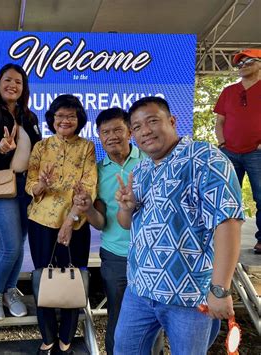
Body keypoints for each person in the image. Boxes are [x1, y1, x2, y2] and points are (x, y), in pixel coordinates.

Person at [113, 97, 244, 354]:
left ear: (172, 121)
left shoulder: (205, 158)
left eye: (152, 121)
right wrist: (125, 207)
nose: (145, 131)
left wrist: (220, 288)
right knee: (124, 349)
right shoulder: (140, 171)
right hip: (139, 291)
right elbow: (126, 224)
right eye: (137, 127)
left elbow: (227, 222)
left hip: (190, 297)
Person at [25, 94, 97, 354]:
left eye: (70, 116)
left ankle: (66, 336)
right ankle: (47, 336)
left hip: (75, 224)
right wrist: (40, 185)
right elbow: (30, 183)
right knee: (43, 278)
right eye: (60, 116)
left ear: (78, 120)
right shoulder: (41, 147)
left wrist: (71, 219)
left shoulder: (87, 147)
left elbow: (89, 187)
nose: (65, 120)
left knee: (73, 278)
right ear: (52, 120)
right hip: (41, 222)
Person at [73, 107, 145, 355]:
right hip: (115, 255)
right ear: (99, 136)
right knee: (119, 315)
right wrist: (87, 209)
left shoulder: (149, 159)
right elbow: (100, 221)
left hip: (151, 255)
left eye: (117, 130)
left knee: (151, 318)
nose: (112, 136)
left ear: (130, 132)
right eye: (105, 132)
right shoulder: (98, 171)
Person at [0, 63, 41, 321]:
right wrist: (2, 147)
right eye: (7, 80)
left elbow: (37, 150)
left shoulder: (30, 117)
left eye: (18, 82)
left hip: (27, 188)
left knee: (19, 243)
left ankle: (11, 290)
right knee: (10, 247)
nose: (12, 85)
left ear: (23, 88)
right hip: (2, 185)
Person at [214, 48, 261, 254]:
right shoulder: (229, 91)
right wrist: (222, 143)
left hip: (257, 153)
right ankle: (223, 241)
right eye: (239, 64)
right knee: (226, 198)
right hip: (229, 152)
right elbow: (220, 122)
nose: (242, 66)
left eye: (248, 61)